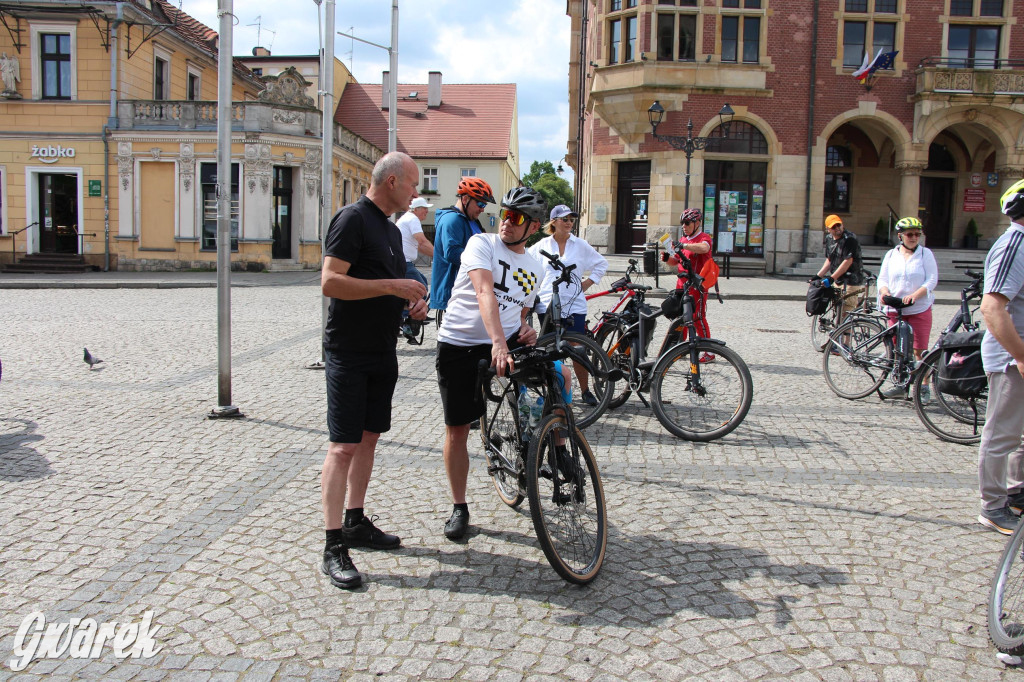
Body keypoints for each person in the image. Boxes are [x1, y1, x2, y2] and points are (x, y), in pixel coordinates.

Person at [319, 151, 429, 589]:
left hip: (382, 349)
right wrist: (392, 285)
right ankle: (332, 546)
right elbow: (330, 281)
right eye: (413, 184)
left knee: (369, 439)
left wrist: (409, 309)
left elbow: (384, 291)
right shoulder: (353, 219)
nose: (417, 192)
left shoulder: (387, 228)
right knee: (342, 446)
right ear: (392, 182)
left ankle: (355, 521)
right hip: (348, 350)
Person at [434, 187, 548, 540]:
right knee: (457, 428)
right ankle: (459, 506)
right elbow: (486, 293)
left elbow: (520, 309)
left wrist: (524, 329)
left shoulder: (536, 266)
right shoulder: (481, 244)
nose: (505, 224)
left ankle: (559, 450)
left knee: (557, 376)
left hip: (504, 340)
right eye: (504, 215)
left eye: (516, 218)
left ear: (534, 227)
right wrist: (499, 342)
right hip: (462, 343)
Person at [977, 178, 1024, 535]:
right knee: (1002, 434)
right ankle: (992, 506)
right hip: (1012, 358)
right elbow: (992, 308)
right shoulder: (1016, 244)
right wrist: (1020, 355)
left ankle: (1017, 492)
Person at [528, 204, 608, 406]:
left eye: (572, 219)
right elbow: (527, 267)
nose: (569, 223)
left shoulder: (580, 245)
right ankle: (555, 391)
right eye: (565, 219)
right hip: (547, 304)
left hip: (574, 306)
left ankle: (585, 390)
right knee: (550, 350)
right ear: (554, 222)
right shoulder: (541, 246)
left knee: (577, 348)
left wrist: (588, 283)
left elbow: (601, 263)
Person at [876, 216, 939, 399]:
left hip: (918, 308)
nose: (913, 238)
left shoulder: (925, 254)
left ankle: (924, 387)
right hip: (895, 308)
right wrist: (884, 291)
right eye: (910, 234)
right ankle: (900, 384)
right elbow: (883, 278)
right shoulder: (891, 254)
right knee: (897, 350)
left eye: (917, 235)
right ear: (900, 236)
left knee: (920, 350)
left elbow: (932, 280)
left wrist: (915, 295)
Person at [430, 177, 495, 327]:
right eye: (480, 203)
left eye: (484, 204)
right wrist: (481, 263)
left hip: (469, 292)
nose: (482, 208)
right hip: (455, 294)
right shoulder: (452, 220)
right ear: (465, 199)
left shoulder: (470, 220)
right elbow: (452, 253)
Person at [662, 208, 715, 363]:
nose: (684, 226)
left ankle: (709, 351)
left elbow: (704, 248)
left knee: (697, 317)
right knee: (680, 317)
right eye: (682, 223)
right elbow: (675, 261)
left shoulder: (703, 238)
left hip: (697, 285)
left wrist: (683, 246)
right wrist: (666, 258)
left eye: (687, 223)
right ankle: (681, 346)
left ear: (697, 223)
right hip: (682, 284)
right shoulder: (684, 239)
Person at [396, 197, 434, 336]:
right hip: (403, 262)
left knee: (421, 283)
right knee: (421, 288)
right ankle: (407, 319)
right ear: (416, 209)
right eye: (424, 208)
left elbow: (419, 246)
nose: (426, 211)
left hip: (402, 262)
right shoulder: (412, 219)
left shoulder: (407, 218)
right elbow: (422, 242)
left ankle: (405, 317)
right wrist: (440, 258)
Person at [816, 214, 866, 319]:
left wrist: (831, 278)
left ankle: (846, 335)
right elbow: (830, 259)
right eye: (833, 227)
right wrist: (818, 276)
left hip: (851, 280)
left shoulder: (849, 239)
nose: (837, 228)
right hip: (838, 279)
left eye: (838, 225)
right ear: (828, 229)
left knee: (846, 313)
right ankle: (838, 334)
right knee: (837, 311)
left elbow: (847, 262)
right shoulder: (829, 238)